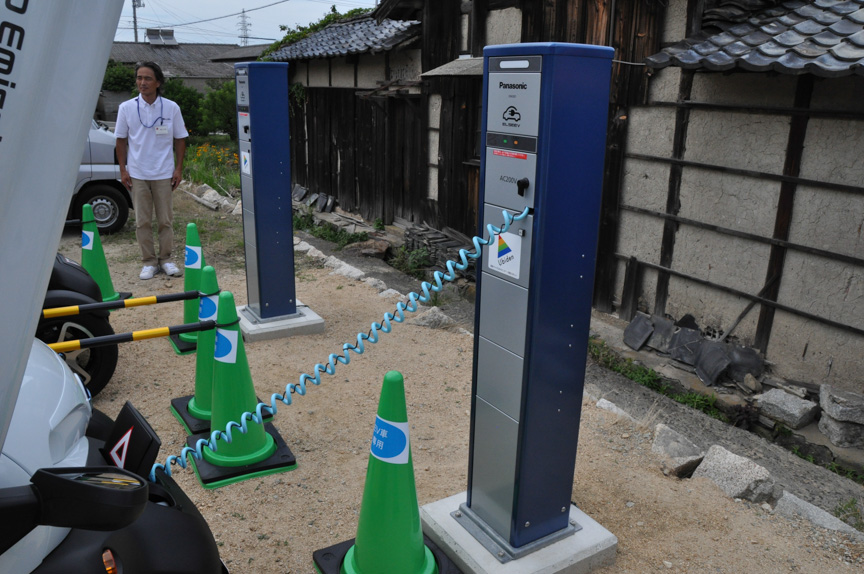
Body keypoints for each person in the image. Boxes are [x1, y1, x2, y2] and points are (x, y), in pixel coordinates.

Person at [115, 61, 188, 280]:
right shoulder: (126, 108)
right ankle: (148, 261)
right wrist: (123, 169)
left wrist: (178, 169)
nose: (142, 82)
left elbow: (180, 138)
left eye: (147, 78)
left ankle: (166, 259)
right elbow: (120, 140)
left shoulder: (171, 107)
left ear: (158, 82)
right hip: (137, 173)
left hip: (163, 172)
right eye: (139, 78)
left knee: (165, 220)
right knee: (142, 221)